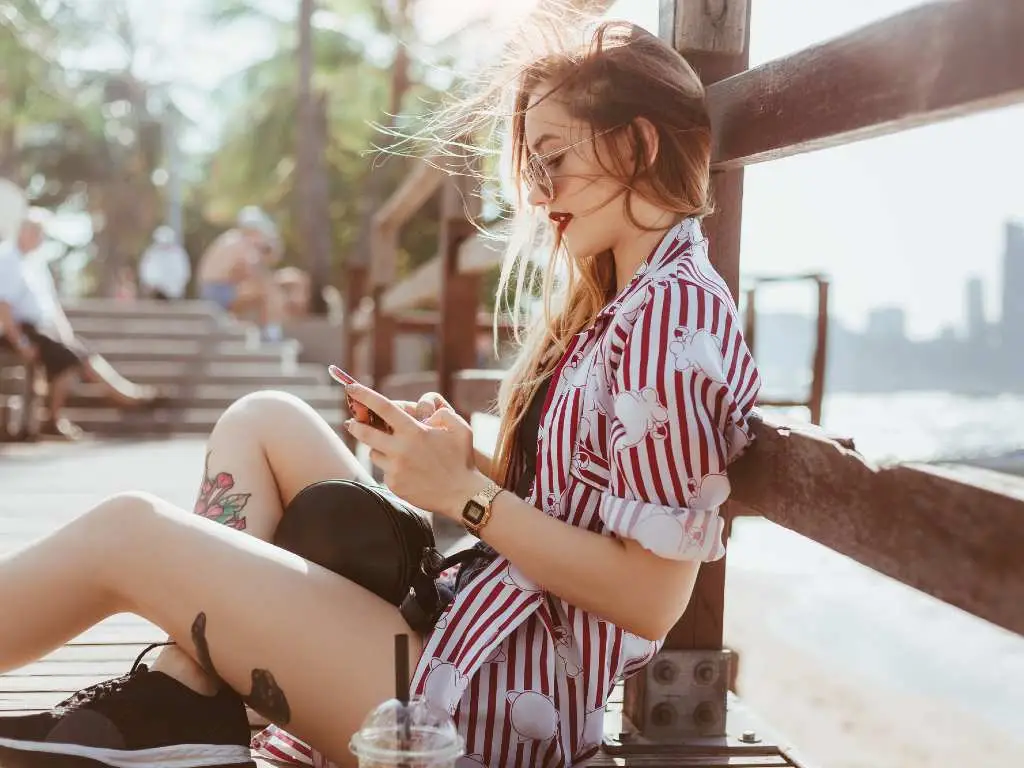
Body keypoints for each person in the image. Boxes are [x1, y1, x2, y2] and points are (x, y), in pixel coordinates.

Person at [0, 18, 761, 768]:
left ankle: (180, 696)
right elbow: (580, 501)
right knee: (265, 419)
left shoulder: (673, 317)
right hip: (469, 631)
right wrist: (467, 458)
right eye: (531, 165)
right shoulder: (625, 302)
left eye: (553, 158)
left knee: (129, 533)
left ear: (638, 144)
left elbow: (651, 598)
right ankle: (184, 687)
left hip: (487, 707)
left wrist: (467, 498)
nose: (537, 191)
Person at [0, 209, 164, 440]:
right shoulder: (8, 259)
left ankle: (129, 394)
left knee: (84, 354)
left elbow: (52, 305)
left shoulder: (36, 262)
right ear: (25, 231)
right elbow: (4, 306)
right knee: (70, 361)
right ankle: (53, 419)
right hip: (24, 330)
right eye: (38, 233)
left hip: (46, 329)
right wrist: (21, 342)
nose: (41, 239)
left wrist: (66, 333)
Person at [196, 206, 286, 341]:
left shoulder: (230, 239)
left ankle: (258, 330)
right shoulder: (243, 242)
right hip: (218, 293)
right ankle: (271, 335)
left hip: (211, 291)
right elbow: (255, 273)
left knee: (258, 289)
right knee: (268, 291)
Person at [138, 225, 192, 301]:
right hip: (154, 293)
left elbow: (184, 273)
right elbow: (146, 272)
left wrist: (175, 287)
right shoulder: (151, 253)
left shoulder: (178, 254)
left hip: (174, 294)